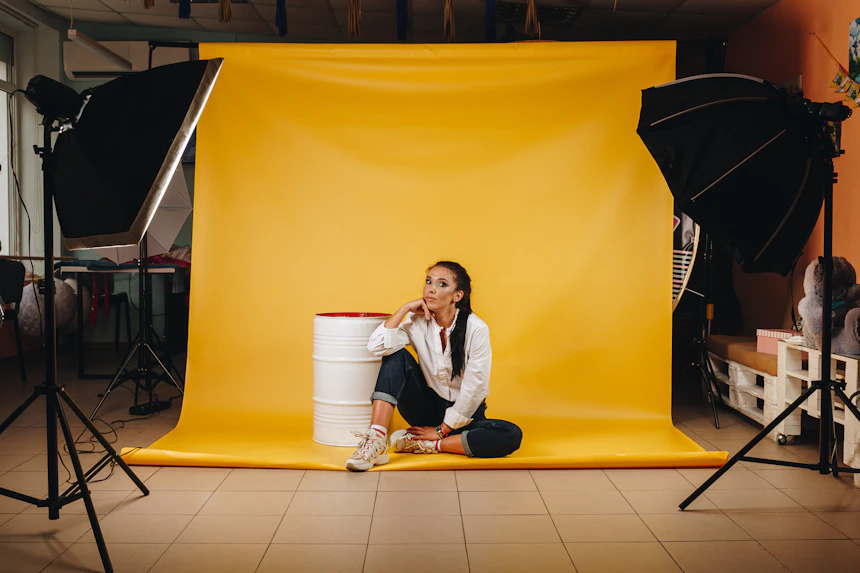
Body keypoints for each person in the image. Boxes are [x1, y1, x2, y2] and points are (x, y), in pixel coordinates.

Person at [346, 261, 522, 471]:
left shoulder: (476, 328)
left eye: (441, 284)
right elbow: (377, 347)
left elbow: (477, 387)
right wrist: (403, 309)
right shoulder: (415, 321)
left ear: (457, 296)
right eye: (429, 282)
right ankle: (376, 440)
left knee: (510, 434)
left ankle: (428, 445)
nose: (431, 288)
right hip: (425, 408)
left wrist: (441, 430)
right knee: (396, 355)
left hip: (465, 416)